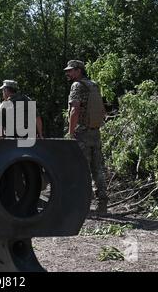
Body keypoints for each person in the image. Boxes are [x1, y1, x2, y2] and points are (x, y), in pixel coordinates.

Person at [64, 60, 108, 214]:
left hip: (82, 134)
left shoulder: (77, 86)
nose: (67, 73)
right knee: (98, 169)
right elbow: (102, 110)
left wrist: (71, 132)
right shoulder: (93, 85)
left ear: (79, 71)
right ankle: (102, 204)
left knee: (81, 170)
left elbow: (74, 110)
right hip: (95, 132)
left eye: (70, 71)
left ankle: (82, 205)